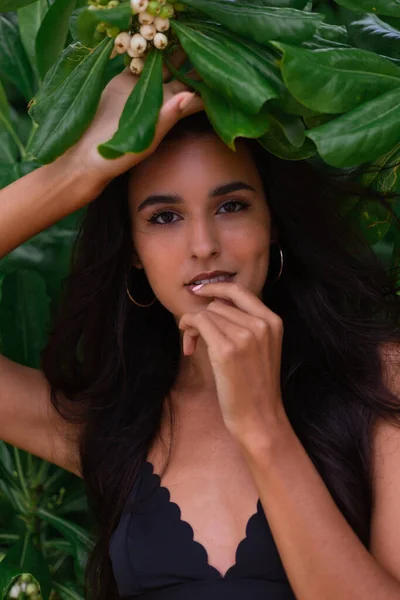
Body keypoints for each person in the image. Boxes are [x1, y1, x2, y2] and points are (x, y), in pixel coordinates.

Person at [1, 56, 400, 600]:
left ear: (273, 223)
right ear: (134, 252)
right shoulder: (115, 422)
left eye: (231, 205)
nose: (203, 244)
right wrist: (79, 171)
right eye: (164, 216)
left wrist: (264, 427)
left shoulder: (379, 380)